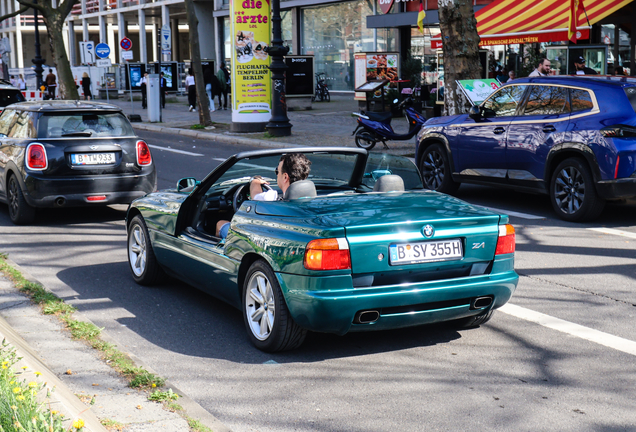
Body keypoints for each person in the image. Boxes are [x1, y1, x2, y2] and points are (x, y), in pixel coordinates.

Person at [215, 153, 312, 238]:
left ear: (285, 177)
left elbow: (255, 195)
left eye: (277, 171)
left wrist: (255, 182)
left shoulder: (271, 198)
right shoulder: (318, 200)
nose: (277, 175)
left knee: (220, 224)